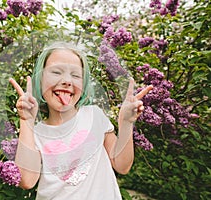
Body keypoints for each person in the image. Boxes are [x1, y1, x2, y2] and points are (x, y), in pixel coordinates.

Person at [9, 42, 153, 200]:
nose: (67, 81)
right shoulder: (36, 133)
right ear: (41, 79)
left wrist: (125, 123)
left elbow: (122, 165)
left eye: (76, 75)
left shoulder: (95, 116)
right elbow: (27, 181)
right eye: (56, 72)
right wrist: (26, 122)